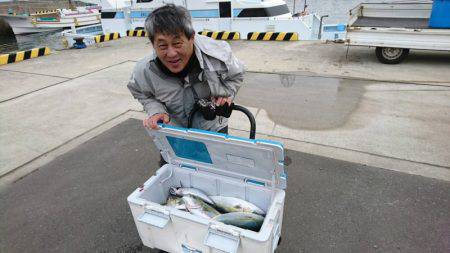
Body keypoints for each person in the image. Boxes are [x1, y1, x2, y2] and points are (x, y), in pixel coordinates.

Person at [127, 4, 244, 165]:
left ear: (191, 37)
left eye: (177, 43)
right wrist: (155, 111)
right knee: (172, 175)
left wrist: (227, 95)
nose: (171, 53)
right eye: (162, 45)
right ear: (153, 44)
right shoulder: (144, 70)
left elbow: (237, 75)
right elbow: (141, 93)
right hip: (174, 134)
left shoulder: (219, 55)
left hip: (214, 129)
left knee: (219, 171)